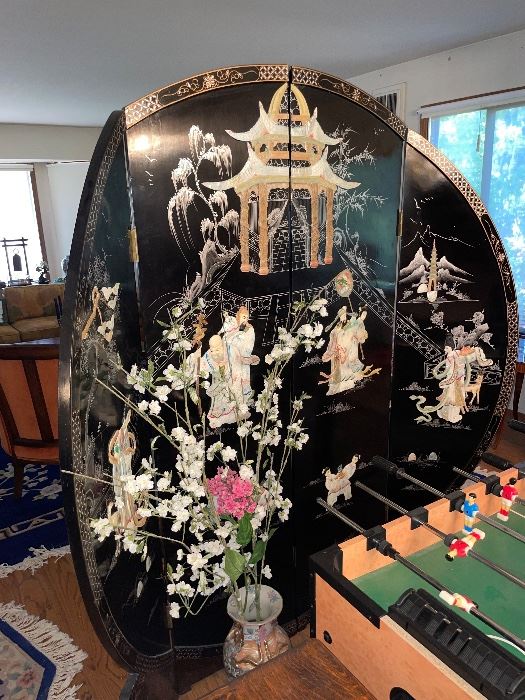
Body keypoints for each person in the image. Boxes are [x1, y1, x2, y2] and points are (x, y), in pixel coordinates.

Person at [320, 306, 375, 395]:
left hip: (349, 352)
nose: (343, 317)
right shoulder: (336, 329)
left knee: (349, 371)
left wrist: (360, 321)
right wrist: (330, 353)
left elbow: (357, 334)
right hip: (339, 354)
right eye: (342, 315)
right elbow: (333, 341)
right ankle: (337, 389)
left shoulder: (351, 325)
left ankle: (349, 386)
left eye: (344, 315)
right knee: (339, 372)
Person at [220, 306, 259, 407]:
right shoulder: (233, 326)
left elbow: (249, 344)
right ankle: (231, 401)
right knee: (229, 380)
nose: (245, 319)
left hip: (241, 358)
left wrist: (241, 353)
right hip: (230, 358)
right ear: (238, 316)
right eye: (243, 317)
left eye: (247, 317)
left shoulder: (249, 329)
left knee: (242, 380)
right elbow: (225, 339)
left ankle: (244, 402)